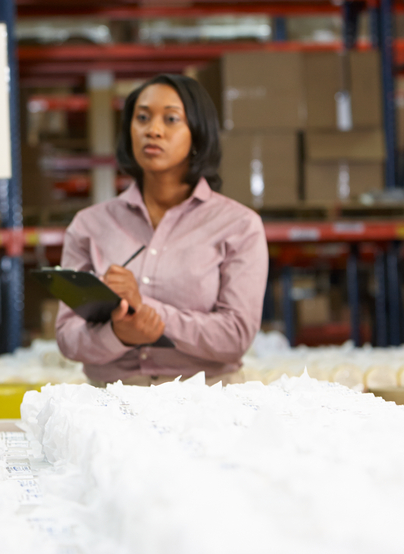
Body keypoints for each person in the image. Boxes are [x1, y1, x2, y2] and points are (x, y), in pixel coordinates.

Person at [55, 74, 268, 386]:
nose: (152, 130)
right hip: (111, 406)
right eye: (142, 118)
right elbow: (67, 336)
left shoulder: (238, 225)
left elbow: (236, 335)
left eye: (171, 119)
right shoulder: (89, 225)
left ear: (198, 132)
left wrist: (151, 314)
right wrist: (117, 335)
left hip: (207, 407)